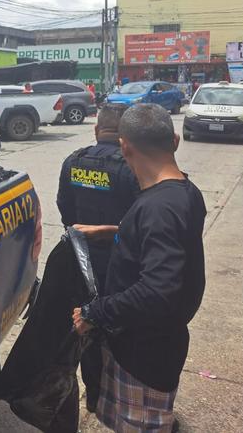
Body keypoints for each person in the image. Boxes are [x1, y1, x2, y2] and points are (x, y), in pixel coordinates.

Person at [72, 103, 207, 433]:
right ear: (175, 141)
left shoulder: (159, 208)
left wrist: (95, 313)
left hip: (144, 352)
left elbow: (157, 291)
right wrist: (113, 232)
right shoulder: (184, 193)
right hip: (160, 341)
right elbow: (166, 242)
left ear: (124, 146)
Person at [56, 103, 140, 413]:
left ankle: (93, 397)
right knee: (122, 329)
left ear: (96, 130)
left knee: (88, 327)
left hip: (83, 264)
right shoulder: (132, 168)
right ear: (125, 135)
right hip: (123, 266)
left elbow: (65, 209)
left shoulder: (73, 162)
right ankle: (122, 399)